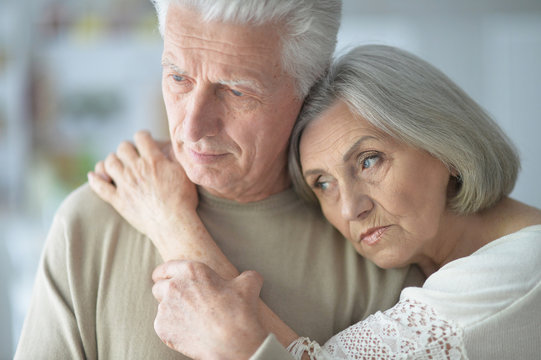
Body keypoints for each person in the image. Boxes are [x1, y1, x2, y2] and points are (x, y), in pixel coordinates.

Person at [14, 1, 424, 359]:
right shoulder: (89, 222)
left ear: (311, 87)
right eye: (178, 78)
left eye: (236, 92)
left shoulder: (375, 243)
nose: (192, 128)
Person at [92, 44, 541, 359]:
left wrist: (168, 220)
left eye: (369, 161)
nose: (350, 209)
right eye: (322, 183)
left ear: (448, 149)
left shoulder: (518, 271)